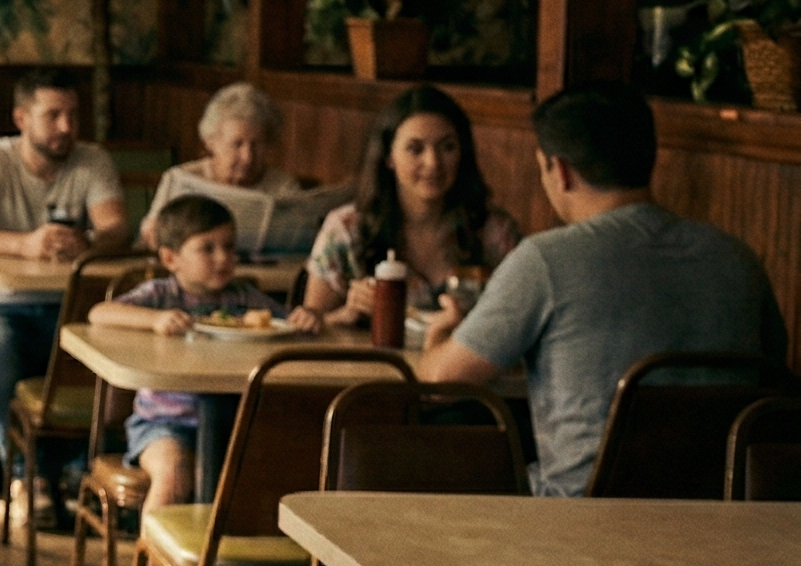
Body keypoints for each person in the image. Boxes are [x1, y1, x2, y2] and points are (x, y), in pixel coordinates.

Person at [421, 83, 788, 497]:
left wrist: (440, 336)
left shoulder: (546, 259)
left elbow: (439, 384)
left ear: (558, 170)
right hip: (725, 520)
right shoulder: (737, 260)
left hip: (583, 524)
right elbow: (775, 378)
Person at [88, 194, 322, 566]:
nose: (223, 259)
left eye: (230, 247)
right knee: (174, 474)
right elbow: (100, 312)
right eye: (208, 248)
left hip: (234, 429)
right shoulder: (162, 294)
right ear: (171, 258)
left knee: (267, 490)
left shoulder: (243, 298)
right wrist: (155, 321)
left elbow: (285, 324)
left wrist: (306, 317)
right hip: (163, 424)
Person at [0, 69, 130, 475]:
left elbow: (116, 228)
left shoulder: (92, 160)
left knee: (112, 356)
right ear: (21, 118)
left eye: (73, 116)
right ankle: (27, 479)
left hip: (70, 306)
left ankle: (80, 473)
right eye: (53, 116)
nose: (67, 128)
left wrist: (89, 242)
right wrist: (25, 244)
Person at [304, 85, 520, 325]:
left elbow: (520, 325)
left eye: (447, 147)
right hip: (377, 362)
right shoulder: (346, 229)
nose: (433, 163)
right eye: (415, 149)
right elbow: (311, 326)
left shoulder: (494, 232)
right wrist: (347, 314)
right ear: (388, 157)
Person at [138, 82, 303, 247]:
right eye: (237, 144)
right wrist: (152, 235)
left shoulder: (283, 186)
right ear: (210, 142)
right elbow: (150, 241)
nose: (247, 157)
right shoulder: (181, 180)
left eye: (257, 144)